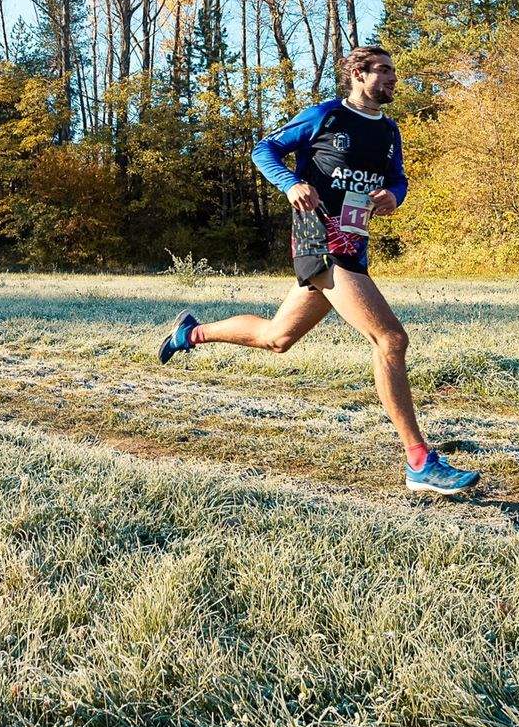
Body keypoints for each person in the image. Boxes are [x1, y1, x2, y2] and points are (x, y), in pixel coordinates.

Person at [157, 45, 480, 496]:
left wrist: (393, 196)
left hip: (354, 242)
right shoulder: (324, 116)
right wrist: (291, 183)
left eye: (393, 72)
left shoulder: (388, 130)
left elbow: (398, 179)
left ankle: (189, 334)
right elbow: (263, 149)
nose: (391, 79)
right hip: (318, 239)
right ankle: (419, 462)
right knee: (390, 338)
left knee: (277, 337)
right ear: (357, 74)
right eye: (383, 71)